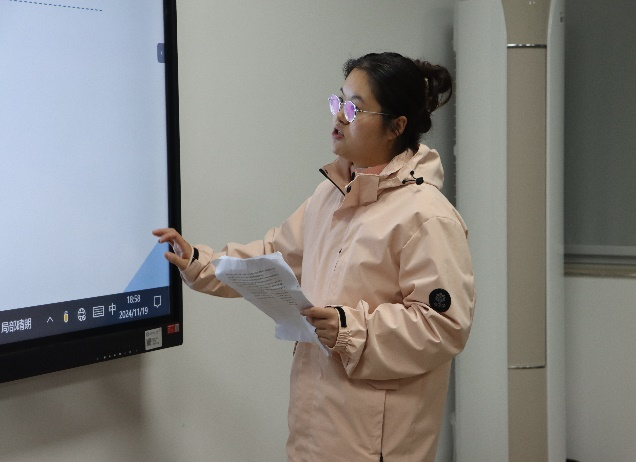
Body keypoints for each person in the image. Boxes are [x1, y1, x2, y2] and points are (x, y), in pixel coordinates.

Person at [153, 51, 475, 462]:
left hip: (377, 447)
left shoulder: (426, 216)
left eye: (354, 108)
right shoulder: (330, 196)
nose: (339, 116)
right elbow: (273, 257)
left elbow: (443, 326)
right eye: (338, 100)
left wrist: (350, 329)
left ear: (397, 126)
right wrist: (200, 261)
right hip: (313, 437)